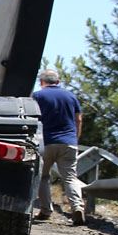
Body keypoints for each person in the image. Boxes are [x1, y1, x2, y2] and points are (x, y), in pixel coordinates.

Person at [32, 69, 86, 225]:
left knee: (42, 176)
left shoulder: (37, 96)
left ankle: (45, 210)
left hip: (46, 142)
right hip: (69, 142)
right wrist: (75, 139)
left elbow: (32, 118)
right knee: (70, 177)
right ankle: (77, 207)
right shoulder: (71, 96)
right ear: (58, 81)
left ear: (42, 82)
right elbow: (78, 119)